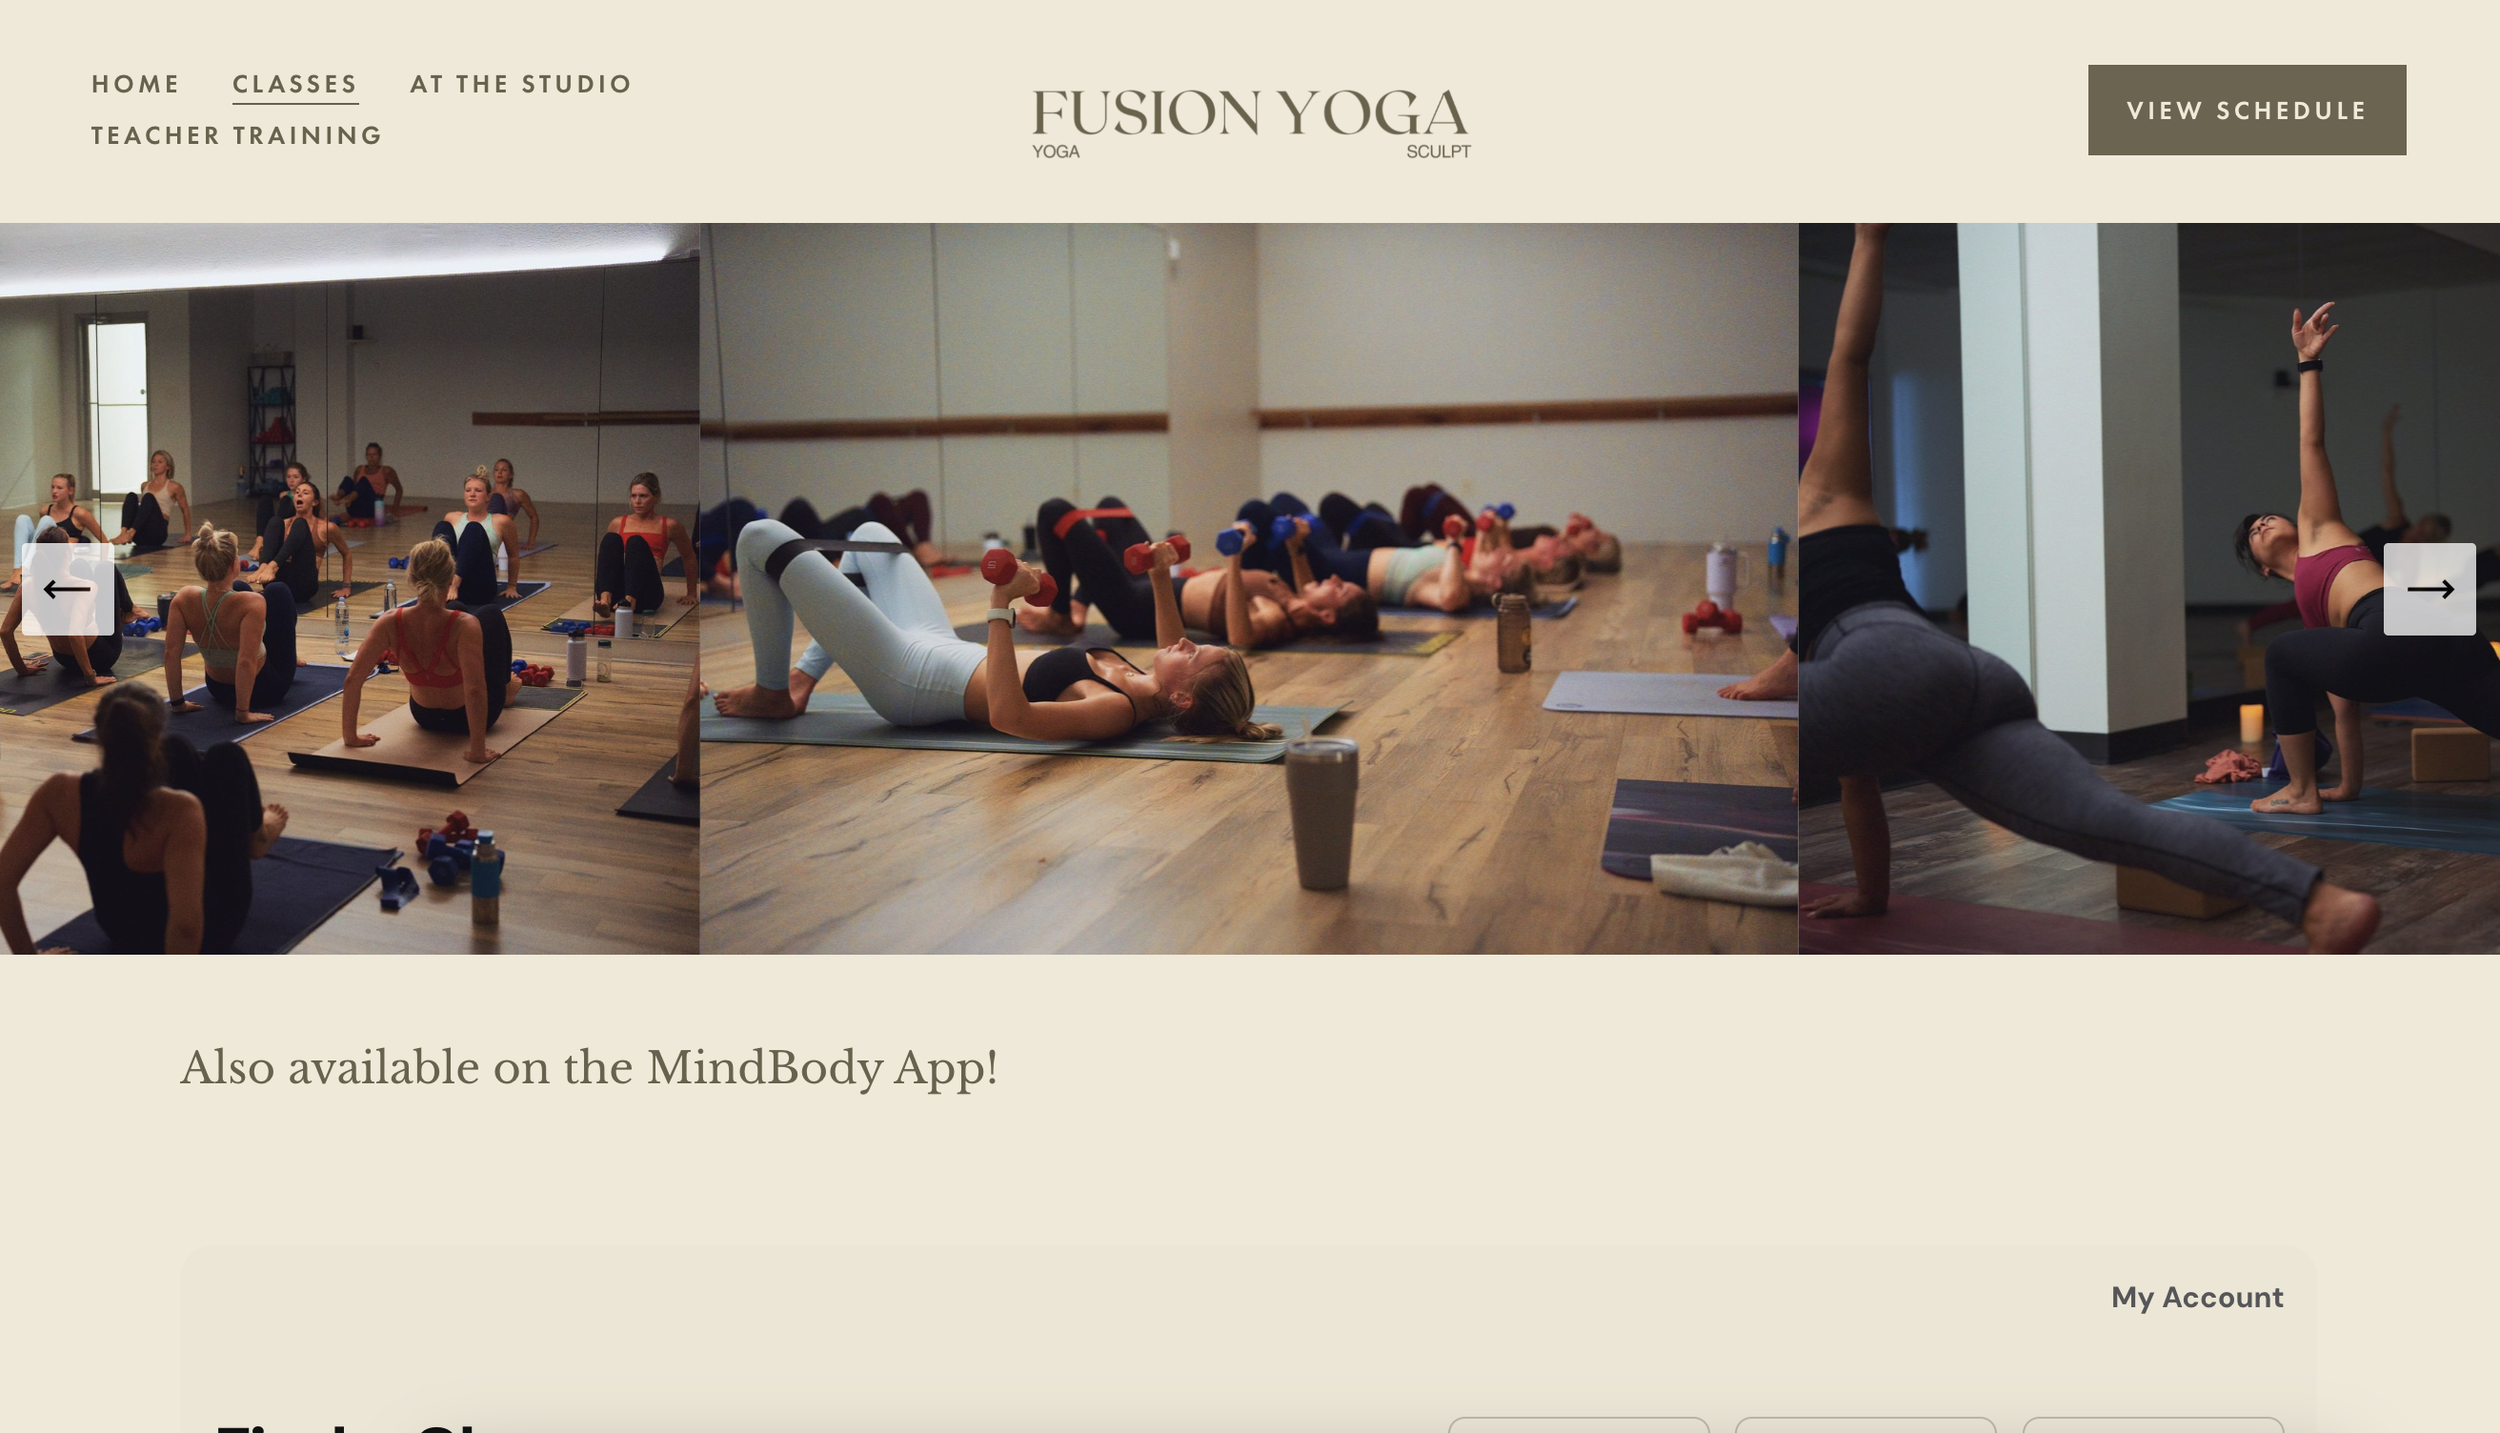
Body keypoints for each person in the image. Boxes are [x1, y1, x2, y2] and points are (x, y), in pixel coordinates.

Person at [1785, 224, 2378, 952]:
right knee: (2113, 823)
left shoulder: (1809, 502)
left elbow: (1849, 349)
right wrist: (1871, 234)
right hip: (1969, 671)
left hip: (1888, 665)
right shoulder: (1827, 492)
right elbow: (1853, 353)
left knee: (1720, 741)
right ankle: (2319, 903)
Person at [2235, 303, 2500, 815]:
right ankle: (2314, 790)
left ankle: (2299, 790)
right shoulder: (2320, 632)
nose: (2261, 523)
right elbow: (2346, 712)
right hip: (2410, 643)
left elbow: (2311, 442)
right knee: (2302, 659)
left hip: (2414, 615)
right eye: (2251, 533)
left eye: (2266, 517)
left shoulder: (2319, 528)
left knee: (2278, 654)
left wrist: (2308, 364)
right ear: (2263, 567)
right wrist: (2351, 787)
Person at [712, 517, 1280, 745]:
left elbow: (1012, 718)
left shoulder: (1115, 710)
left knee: (760, 538)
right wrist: (1160, 577)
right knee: (872, 533)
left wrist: (1001, 606)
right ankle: (802, 680)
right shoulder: (1150, 686)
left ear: (1183, 695)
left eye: (1195, 653)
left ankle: (772, 693)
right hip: (938, 643)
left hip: (907, 679)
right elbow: (1168, 640)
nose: (1184, 641)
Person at [0, 684, 288, 954]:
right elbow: (186, 929)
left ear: (99, 734)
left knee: (179, 751)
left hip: (122, 929)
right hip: (212, 931)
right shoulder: (180, 809)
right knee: (227, 756)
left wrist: (29, 959)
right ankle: (258, 836)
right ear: (155, 735)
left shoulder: (58, 793)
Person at [1022, 496, 1372, 646]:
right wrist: (1296, 545)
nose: (1338, 579)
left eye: (1342, 590)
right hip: (1153, 583)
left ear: (1327, 615)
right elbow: (1307, 583)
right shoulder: (1297, 599)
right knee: (1112, 509)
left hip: (1134, 609)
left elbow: (1241, 637)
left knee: (1055, 512)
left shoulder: (1278, 617)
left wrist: (1234, 560)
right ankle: (1082, 603)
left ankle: (1061, 614)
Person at [2237, 403, 2453, 642]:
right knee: (2299, 610)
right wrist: (2386, 434)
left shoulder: (2415, 559)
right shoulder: (2397, 521)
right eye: (2424, 525)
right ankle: (2250, 625)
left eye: (2428, 534)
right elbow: (2387, 472)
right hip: (2334, 569)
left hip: (2366, 598)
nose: (2420, 532)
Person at [341, 539, 517, 765]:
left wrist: (351, 737)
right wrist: (477, 751)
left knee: (454, 610)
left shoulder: (388, 621)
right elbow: (474, 690)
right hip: (463, 719)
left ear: (412, 578)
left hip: (424, 716)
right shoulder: (466, 625)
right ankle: (507, 689)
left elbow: (352, 680)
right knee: (491, 613)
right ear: (450, 577)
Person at [163, 522, 299, 725]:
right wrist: (242, 712)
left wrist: (177, 703)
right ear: (234, 565)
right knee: (277, 591)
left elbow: (171, 653)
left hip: (218, 689)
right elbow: (245, 661)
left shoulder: (183, 598)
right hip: (265, 690)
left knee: (239, 588)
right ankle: (291, 658)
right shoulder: (253, 603)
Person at [3, 527, 137, 687]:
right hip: (100, 658)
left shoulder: (27, 586)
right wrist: (90, 677)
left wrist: (21, 669)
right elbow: (74, 635)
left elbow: (5, 631)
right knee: (107, 568)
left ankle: (128, 612)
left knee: (79, 565)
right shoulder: (85, 586)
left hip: (64, 659)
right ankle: (129, 612)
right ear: (67, 552)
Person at [597, 472, 699, 618]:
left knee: (636, 542)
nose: (637, 501)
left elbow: (689, 557)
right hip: (617, 593)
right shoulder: (617, 523)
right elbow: (608, 561)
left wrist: (692, 593)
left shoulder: (670, 525)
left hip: (646, 595)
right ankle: (605, 600)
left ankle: (630, 600)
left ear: (656, 497)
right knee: (610, 539)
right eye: (634, 496)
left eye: (643, 496)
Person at [249, 466, 355, 607]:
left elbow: (347, 554)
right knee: (275, 521)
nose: (299, 495)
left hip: (303, 586)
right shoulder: (285, 524)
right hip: (278, 582)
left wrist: (346, 586)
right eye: (297, 493)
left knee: (300, 524)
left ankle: (272, 566)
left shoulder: (326, 527)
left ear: (315, 502)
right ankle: (264, 566)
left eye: (305, 493)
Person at [775, 488, 947, 571]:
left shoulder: (817, 535)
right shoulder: (813, 551)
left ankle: (920, 549)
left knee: (916, 497)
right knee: (881, 500)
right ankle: (916, 552)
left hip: (865, 519)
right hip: (862, 533)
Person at [5, 474, 113, 593]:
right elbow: (40, 539)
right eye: (52, 487)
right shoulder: (46, 510)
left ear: (70, 490)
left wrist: (101, 568)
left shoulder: (80, 514)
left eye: (59, 488)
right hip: (43, 557)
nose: (54, 491)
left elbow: (104, 541)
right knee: (22, 519)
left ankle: (23, 570)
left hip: (63, 559)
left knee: (46, 521)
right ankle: (17, 570)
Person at [432, 469, 524, 605]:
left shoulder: (501, 521)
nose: (472, 494)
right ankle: (441, 585)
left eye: (478, 491)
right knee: (442, 526)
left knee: (473, 528)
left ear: (488, 496)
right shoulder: (452, 517)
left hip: (479, 586)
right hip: (448, 584)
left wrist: (511, 586)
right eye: (468, 490)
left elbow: (513, 556)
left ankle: (454, 584)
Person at [111, 449, 191, 551]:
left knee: (148, 498)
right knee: (131, 496)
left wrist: (187, 534)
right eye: (153, 462)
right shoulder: (145, 485)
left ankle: (130, 533)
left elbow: (185, 510)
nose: (155, 465)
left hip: (157, 533)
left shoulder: (174, 487)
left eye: (160, 462)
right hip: (139, 535)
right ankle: (124, 533)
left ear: (168, 466)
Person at [336, 442, 404, 522]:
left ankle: (348, 499)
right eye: (368, 455)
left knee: (364, 481)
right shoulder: (359, 469)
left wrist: (394, 510)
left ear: (379, 456)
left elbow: (399, 489)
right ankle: (338, 497)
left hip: (372, 507)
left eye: (374, 454)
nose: (371, 457)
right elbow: (355, 488)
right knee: (347, 479)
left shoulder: (387, 471)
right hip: (356, 507)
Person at [486, 458, 542, 549]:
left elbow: (534, 517)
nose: (500, 473)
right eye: (497, 470)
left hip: (504, 535)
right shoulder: (485, 493)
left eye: (504, 470)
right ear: (493, 474)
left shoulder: (518, 494)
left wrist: (531, 542)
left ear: (511, 475)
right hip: (485, 534)